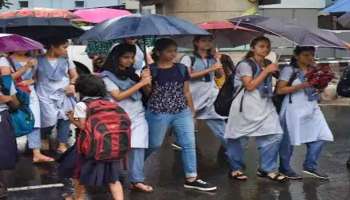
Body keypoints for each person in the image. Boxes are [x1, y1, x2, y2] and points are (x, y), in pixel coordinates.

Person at [145, 38, 217, 191]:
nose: (173, 54)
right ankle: (135, 168)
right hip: (158, 111)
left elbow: (186, 91)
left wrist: (191, 112)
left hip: (181, 111)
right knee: (154, 144)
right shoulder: (150, 70)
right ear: (158, 52)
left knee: (188, 144)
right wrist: (146, 82)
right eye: (169, 51)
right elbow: (147, 94)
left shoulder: (181, 68)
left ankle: (192, 177)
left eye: (175, 51)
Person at [224, 36, 287, 182]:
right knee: (238, 139)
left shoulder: (268, 63)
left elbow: (280, 81)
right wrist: (266, 72)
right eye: (262, 46)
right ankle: (236, 168)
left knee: (275, 134)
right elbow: (250, 86)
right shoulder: (245, 64)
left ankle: (267, 168)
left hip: (265, 104)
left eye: (267, 47)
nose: (265, 49)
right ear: (253, 48)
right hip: (245, 106)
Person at [101, 43, 153, 192]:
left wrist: (146, 81)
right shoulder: (107, 75)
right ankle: (112, 177)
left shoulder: (132, 74)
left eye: (132, 57)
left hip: (138, 113)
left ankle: (137, 180)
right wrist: (141, 83)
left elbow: (147, 93)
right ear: (116, 58)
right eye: (125, 57)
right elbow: (118, 96)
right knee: (117, 148)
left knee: (138, 146)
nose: (130, 61)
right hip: (117, 116)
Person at [64, 74, 126, 200]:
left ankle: (78, 197)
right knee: (113, 178)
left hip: (89, 147)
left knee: (78, 173)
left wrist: (71, 119)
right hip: (110, 146)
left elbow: (83, 126)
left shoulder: (82, 105)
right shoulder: (109, 103)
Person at [277, 46, 334, 180]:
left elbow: (316, 87)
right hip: (293, 107)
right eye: (306, 55)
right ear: (296, 56)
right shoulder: (289, 70)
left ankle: (310, 165)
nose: (310, 58)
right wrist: (303, 85)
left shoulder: (314, 70)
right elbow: (280, 90)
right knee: (289, 140)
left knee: (322, 135)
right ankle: (284, 168)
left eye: (312, 55)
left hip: (312, 106)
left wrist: (322, 84)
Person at [180, 36, 227, 155]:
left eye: (210, 41)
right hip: (193, 95)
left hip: (211, 95)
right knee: (188, 124)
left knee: (218, 121)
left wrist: (218, 60)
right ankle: (188, 150)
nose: (207, 43)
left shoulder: (212, 58)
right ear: (196, 42)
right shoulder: (188, 58)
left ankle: (231, 149)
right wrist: (209, 69)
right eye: (204, 40)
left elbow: (220, 75)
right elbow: (186, 76)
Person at [8, 51, 55, 163]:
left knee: (34, 120)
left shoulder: (33, 59)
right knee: (13, 120)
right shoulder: (6, 60)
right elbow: (7, 78)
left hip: (30, 92)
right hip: (14, 94)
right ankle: (10, 150)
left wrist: (31, 80)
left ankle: (36, 152)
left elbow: (37, 78)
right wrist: (26, 67)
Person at [36, 38, 78, 154]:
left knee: (65, 117)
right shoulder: (37, 60)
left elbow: (74, 75)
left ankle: (62, 143)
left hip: (64, 92)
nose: (66, 50)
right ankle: (44, 136)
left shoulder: (67, 60)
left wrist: (72, 84)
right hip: (44, 93)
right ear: (53, 46)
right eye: (64, 47)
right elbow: (33, 77)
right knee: (48, 119)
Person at [0, 57, 20, 198]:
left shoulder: (7, 82)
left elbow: (15, 104)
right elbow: (14, 104)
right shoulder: (6, 81)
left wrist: (7, 99)